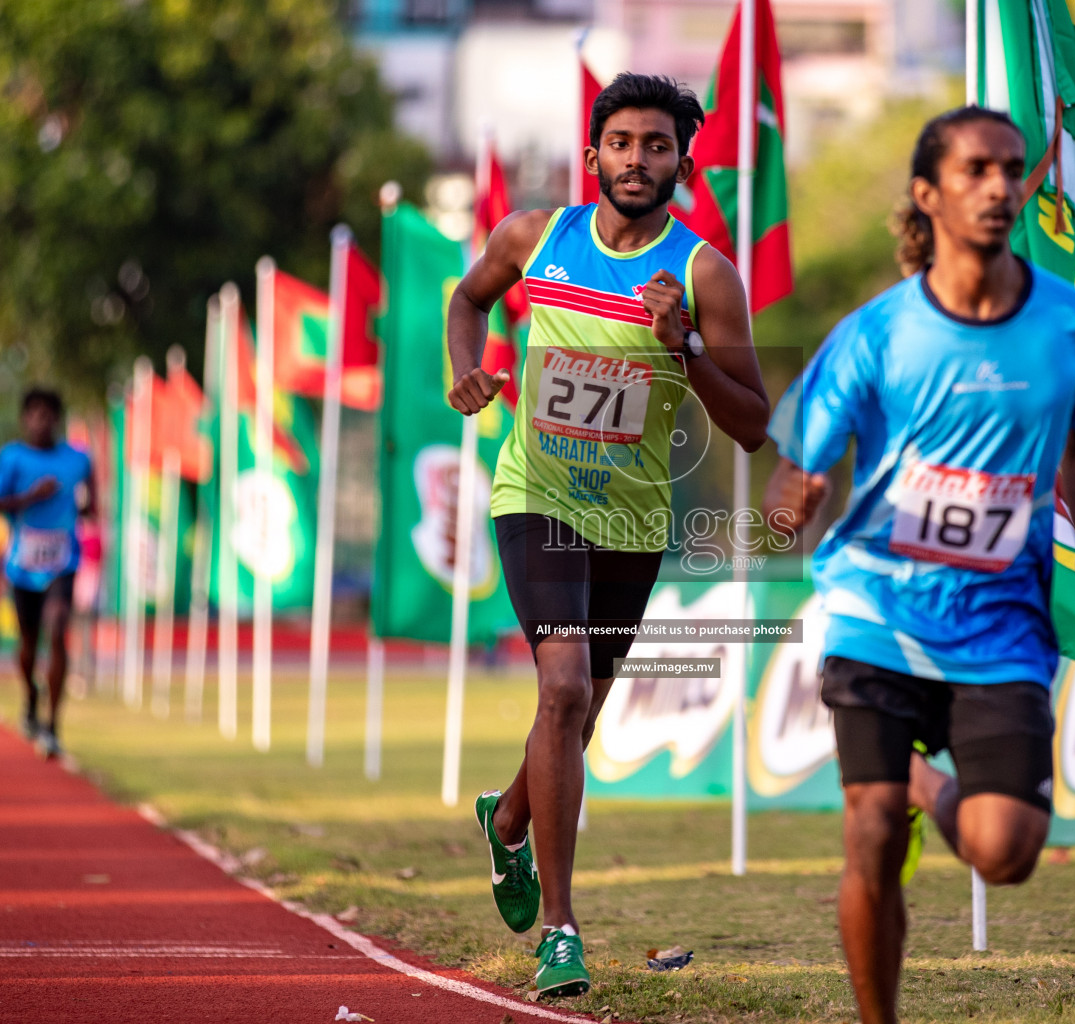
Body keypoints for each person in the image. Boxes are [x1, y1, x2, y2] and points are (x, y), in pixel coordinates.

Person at [761, 106, 1075, 1024]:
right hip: (875, 608)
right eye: (976, 170)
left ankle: (922, 779)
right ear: (929, 196)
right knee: (872, 833)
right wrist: (788, 505)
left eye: (1012, 168)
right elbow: (801, 463)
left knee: (1007, 852)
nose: (1001, 186)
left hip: (1001, 625)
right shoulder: (876, 334)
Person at [446, 73, 770, 998]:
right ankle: (561, 929)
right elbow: (466, 301)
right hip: (535, 492)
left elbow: (753, 423)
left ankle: (508, 820)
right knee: (564, 684)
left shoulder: (707, 275)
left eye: (657, 145)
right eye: (621, 143)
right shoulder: (535, 239)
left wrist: (687, 349)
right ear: (594, 156)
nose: (638, 159)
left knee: (575, 713)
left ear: (684, 161)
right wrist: (465, 372)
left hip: (631, 518)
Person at [0, 388, 96, 758]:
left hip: (62, 560)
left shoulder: (77, 460)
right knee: (29, 644)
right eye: (34, 414)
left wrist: (83, 507)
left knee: (59, 627)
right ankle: (31, 696)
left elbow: (91, 501)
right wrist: (33, 497)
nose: (41, 421)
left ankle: (52, 726)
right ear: (24, 419)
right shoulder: (12, 457)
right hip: (23, 566)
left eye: (48, 414)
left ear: (57, 420)